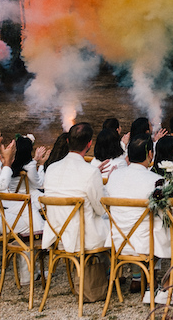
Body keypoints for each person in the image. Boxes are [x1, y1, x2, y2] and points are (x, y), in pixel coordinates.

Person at [43, 121, 110, 301]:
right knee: (116, 228)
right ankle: (112, 278)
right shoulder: (90, 172)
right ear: (89, 144)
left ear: (67, 141)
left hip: (56, 236)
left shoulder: (51, 168)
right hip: (82, 237)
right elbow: (100, 208)